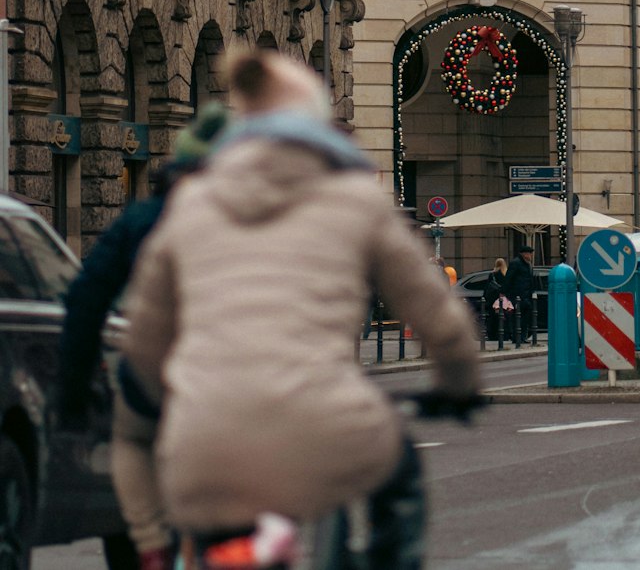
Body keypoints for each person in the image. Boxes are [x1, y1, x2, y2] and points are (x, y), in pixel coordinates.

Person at [121, 50, 480, 567]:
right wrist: (459, 385)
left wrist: (160, 404)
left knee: (209, 533)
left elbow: (145, 336)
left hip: (203, 444)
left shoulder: (192, 202)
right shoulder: (355, 197)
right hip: (328, 428)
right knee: (399, 474)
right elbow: (439, 321)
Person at [57, 103, 231, 570]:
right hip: (239, 386)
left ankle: (148, 549)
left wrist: (72, 393)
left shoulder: (142, 221)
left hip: (156, 380)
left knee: (131, 444)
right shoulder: (269, 219)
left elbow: (85, 301)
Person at [503, 242, 535, 344]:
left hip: (526, 296)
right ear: (524, 254)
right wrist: (504, 292)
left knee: (525, 318)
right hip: (517, 295)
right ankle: (516, 337)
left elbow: (530, 280)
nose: (530, 256)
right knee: (517, 317)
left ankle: (522, 337)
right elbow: (509, 278)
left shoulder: (528, 265)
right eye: (529, 254)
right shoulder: (515, 263)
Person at [482, 258, 509, 343]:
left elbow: (487, 288)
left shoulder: (492, 274)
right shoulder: (506, 274)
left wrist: (485, 298)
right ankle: (504, 335)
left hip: (493, 299)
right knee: (504, 317)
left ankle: (493, 335)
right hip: (503, 298)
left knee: (493, 318)